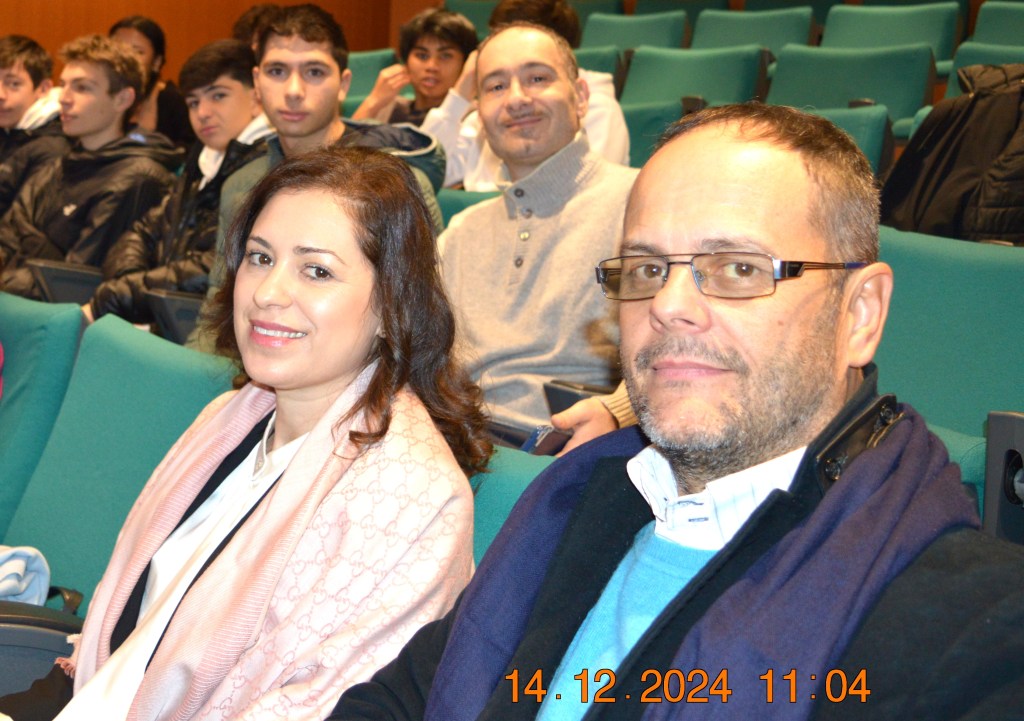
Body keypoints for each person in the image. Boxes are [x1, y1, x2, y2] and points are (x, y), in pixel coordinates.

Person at [328, 104, 1024, 720]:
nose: (667, 306)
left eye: (739, 268)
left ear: (860, 314)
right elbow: (401, 699)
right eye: (647, 269)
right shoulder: (576, 500)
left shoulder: (980, 632)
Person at [0, 145, 492, 721]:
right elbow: (134, 636)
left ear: (392, 304)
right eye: (260, 258)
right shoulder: (233, 417)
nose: (266, 292)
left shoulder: (410, 498)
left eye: (316, 270)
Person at [193, 3, 445, 350]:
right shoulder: (241, 184)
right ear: (257, 82)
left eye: (314, 72)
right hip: (256, 361)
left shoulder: (397, 185)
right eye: (277, 71)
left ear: (343, 84)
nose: (294, 90)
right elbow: (217, 306)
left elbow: (423, 318)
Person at [439, 22, 638, 440]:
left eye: (537, 78)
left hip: (573, 444)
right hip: (459, 437)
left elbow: (685, 342)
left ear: (580, 96)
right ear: (479, 113)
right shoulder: (461, 232)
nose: (516, 99)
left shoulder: (640, 200)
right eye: (496, 86)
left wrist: (619, 412)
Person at [83, 39, 271, 325]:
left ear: (257, 97)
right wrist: (128, 283)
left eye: (218, 96)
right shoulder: (204, 160)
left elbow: (218, 266)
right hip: (165, 316)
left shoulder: (266, 169)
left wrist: (125, 293)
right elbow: (143, 231)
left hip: (210, 327)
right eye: (193, 102)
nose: (202, 113)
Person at [0, 35, 179, 299]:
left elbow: (74, 281)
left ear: (122, 99)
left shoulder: (139, 178)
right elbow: (7, 234)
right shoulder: (64, 161)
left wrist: (29, 242)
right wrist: (41, 248)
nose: (64, 99)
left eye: (82, 88)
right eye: (63, 85)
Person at [421, 0, 629, 190]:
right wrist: (460, 93)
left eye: (537, 78)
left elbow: (591, 192)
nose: (516, 99)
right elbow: (426, 175)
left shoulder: (600, 110)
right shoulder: (491, 109)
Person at [351, 9, 478, 127]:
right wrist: (373, 102)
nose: (432, 66)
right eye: (422, 56)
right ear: (406, 62)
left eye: (445, 56)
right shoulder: (389, 107)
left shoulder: (475, 116)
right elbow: (346, 143)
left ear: (466, 64)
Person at [0, 35, 67, 218]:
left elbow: (21, 224)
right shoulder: (7, 129)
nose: (1, 94)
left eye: (13, 84)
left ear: (43, 89)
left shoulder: (52, 149)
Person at [109, 15, 194, 148]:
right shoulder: (97, 95)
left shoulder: (173, 101)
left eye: (137, 52)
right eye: (118, 49)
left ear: (156, 62)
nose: (126, 58)